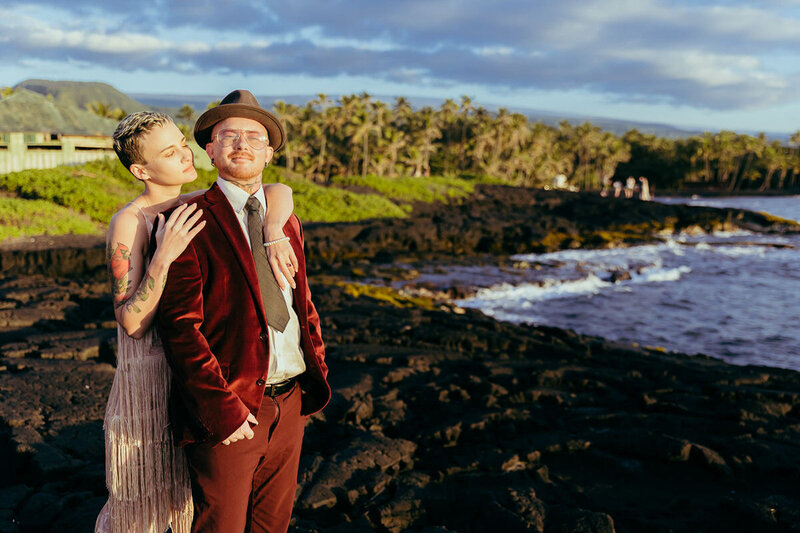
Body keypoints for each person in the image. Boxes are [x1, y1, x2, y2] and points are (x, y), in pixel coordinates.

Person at [96, 111, 296, 533]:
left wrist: (275, 225)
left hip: (201, 377)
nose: (184, 155)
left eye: (182, 144)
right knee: (147, 510)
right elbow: (131, 321)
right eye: (169, 152)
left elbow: (275, 188)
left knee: (194, 507)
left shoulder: (200, 204)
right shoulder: (131, 221)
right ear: (140, 170)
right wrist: (163, 256)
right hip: (151, 379)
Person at [155, 90, 331, 532]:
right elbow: (180, 328)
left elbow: (301, 304)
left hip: (290, 403)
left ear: (269, 152)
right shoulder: (188, 218)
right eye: (228, 134)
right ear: (210, 150)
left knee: (273, 525)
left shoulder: (285, 218)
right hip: (233, 409)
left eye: (254, 136)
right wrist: (222, 410)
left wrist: (316, 369)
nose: (242, 142)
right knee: (222, 527)